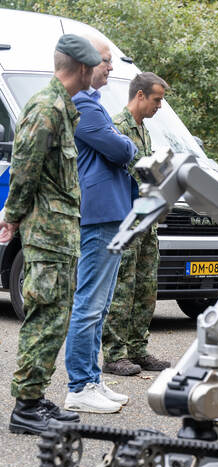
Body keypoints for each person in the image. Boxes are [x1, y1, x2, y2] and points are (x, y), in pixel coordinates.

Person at [0, 35, 102, 434]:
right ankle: (25, 408)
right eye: (95, 66)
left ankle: (36, 397)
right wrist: (13, 215)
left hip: (61, 232)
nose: (98, 72)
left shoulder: (63, 107)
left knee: (56, 317)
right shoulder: (46, 107)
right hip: (47, 232)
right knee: (44, 317)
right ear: (81, 68)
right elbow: (24, 167)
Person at [64, 38, 138, 414]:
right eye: (105, 62)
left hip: (111, 213)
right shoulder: (84, 107)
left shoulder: (95, 106)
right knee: (90, 305)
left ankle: (92, 379)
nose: (110, 68)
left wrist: (122, 141)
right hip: (98, 215)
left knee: (101, 304)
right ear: (86, 65)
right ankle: (78, 386)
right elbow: (121, 150)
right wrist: (127, 144)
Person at [101, 72, 171, 376]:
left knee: (145, 288)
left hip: (146, 221)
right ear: (140, 96)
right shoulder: (117, 127)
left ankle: (137, 349)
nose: (160, 106)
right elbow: (134, 172)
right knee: (122, 289)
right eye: (157, 99)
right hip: (125, 220)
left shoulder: (144, 130)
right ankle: (114, 355)